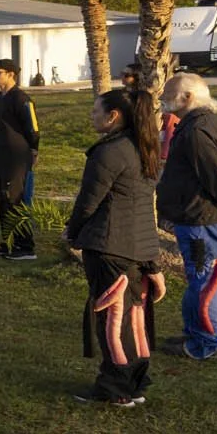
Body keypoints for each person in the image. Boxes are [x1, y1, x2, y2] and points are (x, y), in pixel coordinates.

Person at [66, 87, 167, 408]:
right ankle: (135, 382)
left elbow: (88, 202)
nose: (91, 115)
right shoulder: (145, 148)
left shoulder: (109, 152)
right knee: (133, 320)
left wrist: (73, 232)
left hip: (109, 248)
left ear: (113, 116)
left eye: (96, 111)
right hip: (135, 249)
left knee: (112, 319)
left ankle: (115, 388)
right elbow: (142, 211)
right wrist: (152, 263)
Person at [157, 73, 217, 361]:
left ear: (187, 97)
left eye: (168, 92)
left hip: (204, 221)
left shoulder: (196, 131)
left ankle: (209, 342)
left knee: (207, 281)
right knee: (199, 279)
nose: (163, 97)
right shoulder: (206, 124)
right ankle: (196, 333)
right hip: (200, 220)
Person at [0, 59, 41, 259]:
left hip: (18, 156)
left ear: (11, 74)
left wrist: (33, 151)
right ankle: (8, 241)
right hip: (1, 154)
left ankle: (25, 246)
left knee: (15, 198)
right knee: (3, 199)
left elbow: (33, 128)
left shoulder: (21, 99)